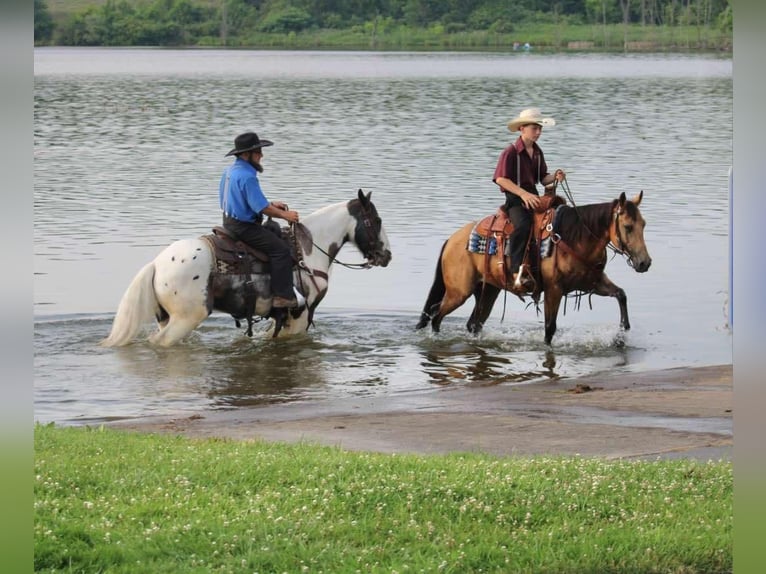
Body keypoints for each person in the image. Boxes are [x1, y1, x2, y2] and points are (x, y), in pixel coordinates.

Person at [219, 131, 303, 308]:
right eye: (258, 152)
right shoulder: (248, 176)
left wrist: (271, 204)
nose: (261, 156)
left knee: (273, 230)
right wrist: (286, 215)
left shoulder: (230, 171)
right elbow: (262, 208)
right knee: (280, 250)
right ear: (246, 154)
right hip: (244, 227)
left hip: (228, 221)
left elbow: (243, 199)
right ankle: (283, 297)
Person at [492, 108, 565, 290]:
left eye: (539, 128)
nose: (538, 132)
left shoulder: (537, 152)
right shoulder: (510, 152)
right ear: (522, 129)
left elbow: (543, 178)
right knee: (524, 225)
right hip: (516, 200)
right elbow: (500, 179)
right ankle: (517, 270)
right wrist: (523, 194)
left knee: (558, 218)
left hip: (533, 198)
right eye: (534, 128)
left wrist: (555, 176)